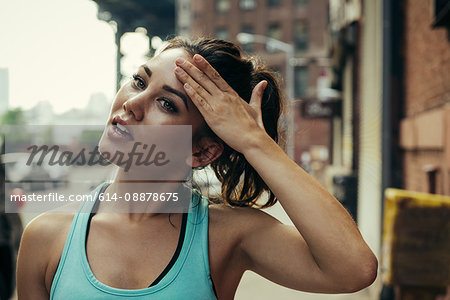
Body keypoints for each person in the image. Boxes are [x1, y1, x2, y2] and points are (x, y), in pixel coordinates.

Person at [16, 37, 377, 300]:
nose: (134, 103)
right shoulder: (46, 238)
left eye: (167, 104)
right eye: (140, 81)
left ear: (202, 151)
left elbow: (354, 269)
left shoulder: (225, 236)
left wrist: (255, 141)